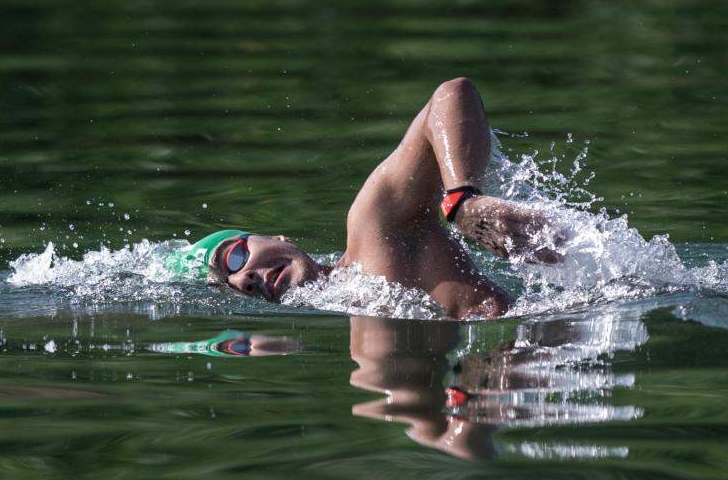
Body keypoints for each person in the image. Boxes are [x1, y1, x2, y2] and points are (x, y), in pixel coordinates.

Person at [166, 78, 563, 318]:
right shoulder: (366, 343)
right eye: (231, 286)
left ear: (278, 238)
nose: (243, 279)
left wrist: (462, 200)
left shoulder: (376, 229)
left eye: (233, 257)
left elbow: (452, 94)